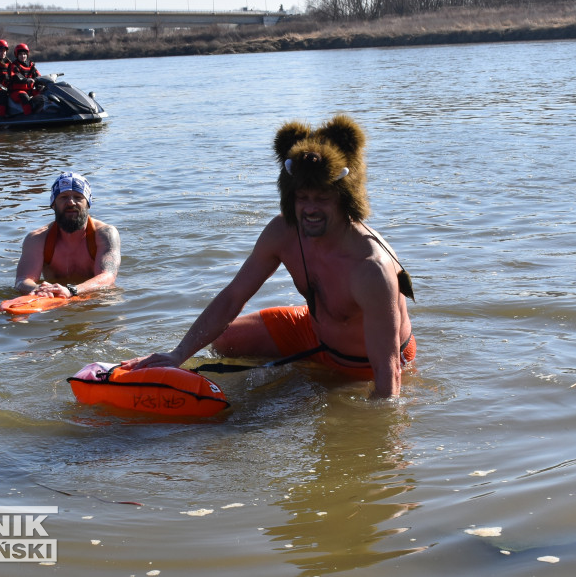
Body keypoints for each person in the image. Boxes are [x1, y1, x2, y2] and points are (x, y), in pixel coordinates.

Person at [122, 114, 416, 398]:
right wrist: (178, 355)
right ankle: (301, 366)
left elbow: (388, 373)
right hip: (315, 335)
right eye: (302, 198)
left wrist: (376, 422)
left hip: (364, 363)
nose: (310, 209)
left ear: (345, 200)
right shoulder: (282, 232)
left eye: (322, 199)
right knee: (226, 342)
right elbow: (233, 296)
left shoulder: (370, 268)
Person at [14, 172, 121, 299]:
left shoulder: (105, 234)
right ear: (53, 204)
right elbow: (22, 281)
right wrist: (37, 289)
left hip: (94, 298)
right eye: (63, 197)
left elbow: (108, 277)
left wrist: (72, 290)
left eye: (78, 197)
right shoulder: (37, 239)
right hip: (54, 298)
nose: (71, 202)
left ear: (88, 203)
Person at [9, 43, 42, 114]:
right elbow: (17, 76)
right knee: (24, 96)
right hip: (16, 92)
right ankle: (28, 115)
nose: (23, 56)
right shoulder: (14, 66)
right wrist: (27, 80)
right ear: (17, 55)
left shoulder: (31, 65)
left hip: (29, 90)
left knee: (43, 92)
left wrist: (39, 83)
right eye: (20, 54)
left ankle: (45, 111)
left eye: (24, 54)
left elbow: (38, 76)